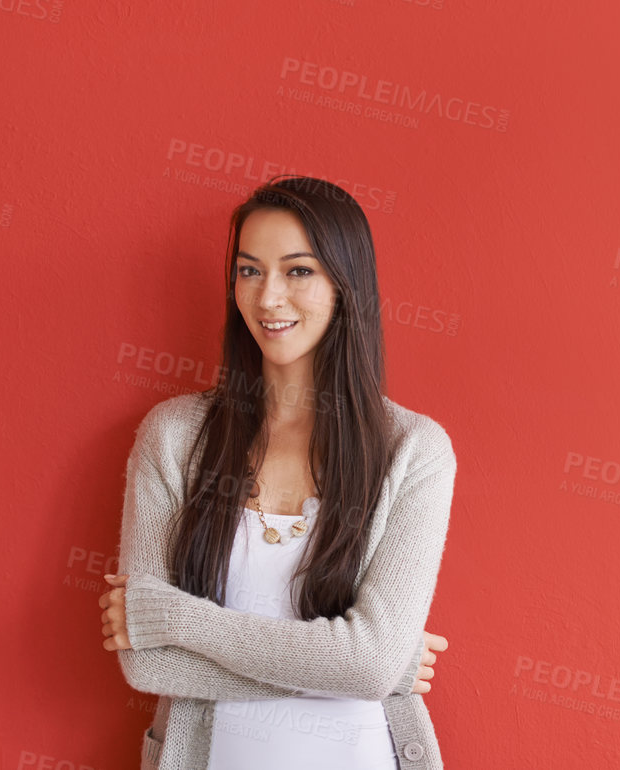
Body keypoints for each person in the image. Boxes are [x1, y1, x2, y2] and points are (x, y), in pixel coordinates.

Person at [100, 175, 457, 769]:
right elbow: (148, 663)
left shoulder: (414, 450)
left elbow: (368, 666)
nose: (267, 299)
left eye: (298, 271)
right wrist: (358, 666)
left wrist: (176, 618)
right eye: (248, 271)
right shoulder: (174, 437)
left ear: (346, 284)